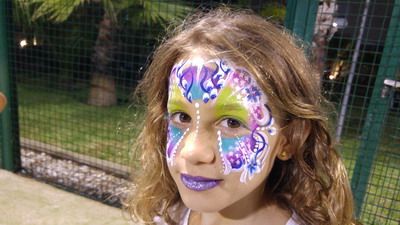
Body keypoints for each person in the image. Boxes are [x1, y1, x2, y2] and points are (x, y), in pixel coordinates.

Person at [126, 7, 354, 225]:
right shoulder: (168, 216)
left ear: (289, 139)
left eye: (231, 122)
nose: (192, 152)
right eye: (182, 117)